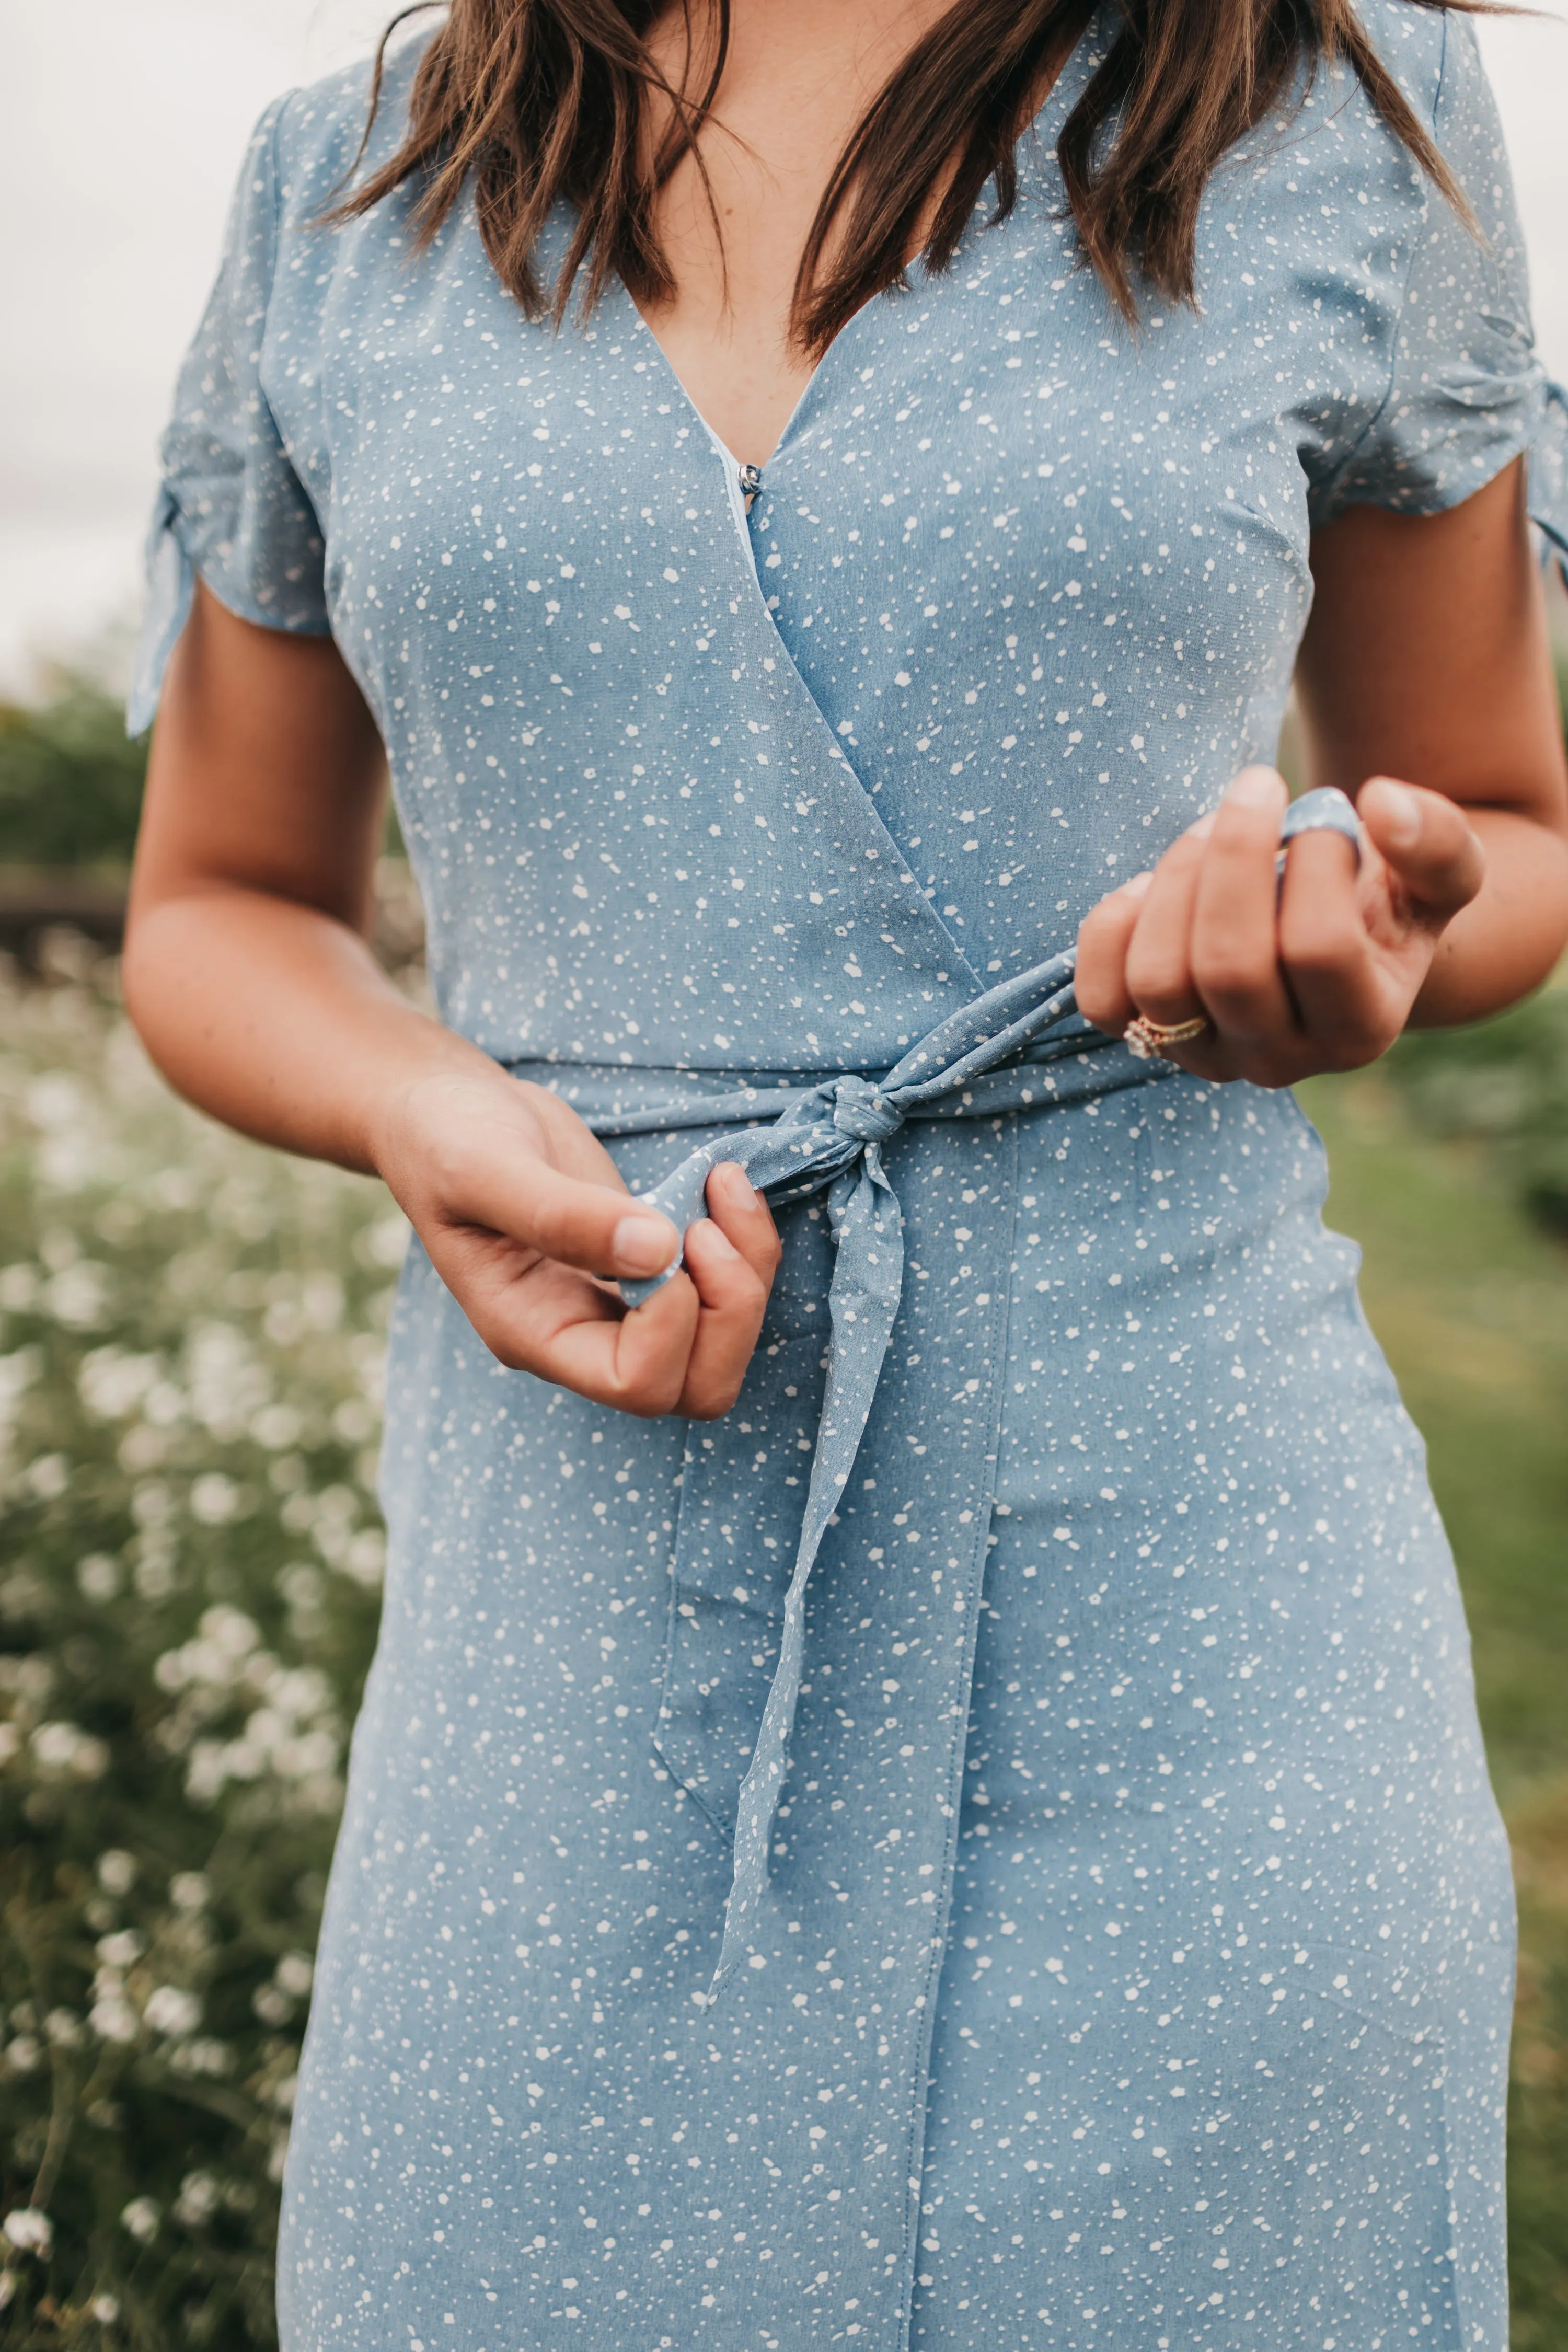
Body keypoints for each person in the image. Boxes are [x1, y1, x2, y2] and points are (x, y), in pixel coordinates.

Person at [122, 0, 1568, 2337]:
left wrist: (1362, 911)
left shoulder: (1333, 102)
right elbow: (215, 901)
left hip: (1194, 1631)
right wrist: (413, 1099)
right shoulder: (342, 190)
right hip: (560, 1635)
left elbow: (1498, 815)